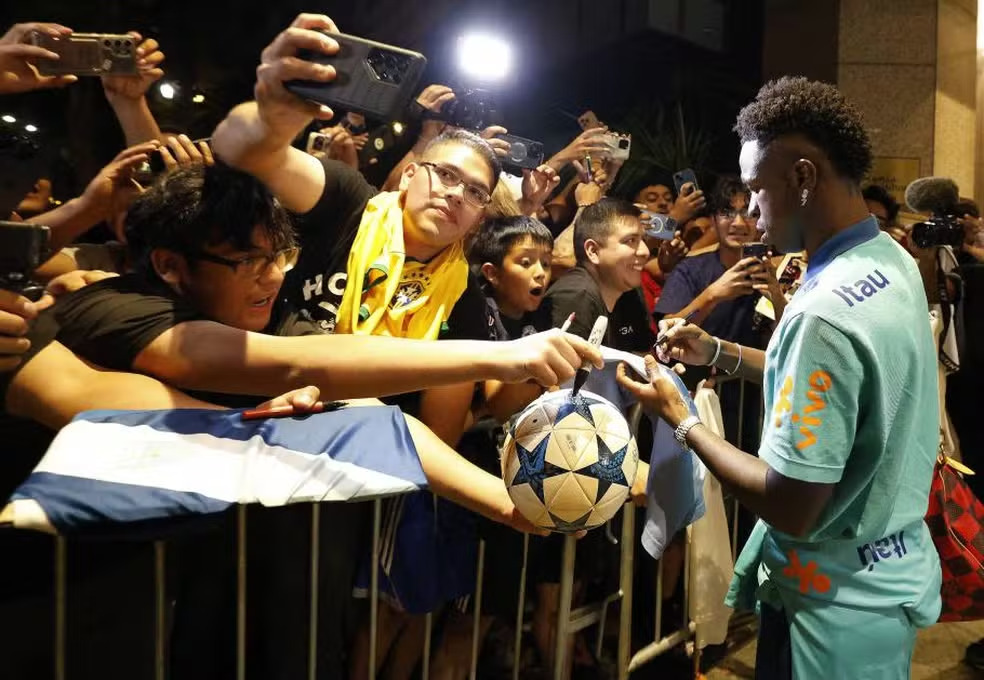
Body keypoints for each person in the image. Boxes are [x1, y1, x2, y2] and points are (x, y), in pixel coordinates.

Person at [617, 76, 941, 679]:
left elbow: (791, 504)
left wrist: (681, 419)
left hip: (827, 612)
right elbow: (843, 388)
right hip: (887, 575)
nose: (751, 213)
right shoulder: (890, 258)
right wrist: (721, 350)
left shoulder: (822, 313)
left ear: (802, 177)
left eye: (756, 190)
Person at [540, 197, 653, 352]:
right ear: (593, 251)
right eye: (631, 240)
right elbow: (563, 374)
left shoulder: (629, 292)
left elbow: (642, 358)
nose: (645, 252)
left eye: (643, 239)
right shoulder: (576, 296)